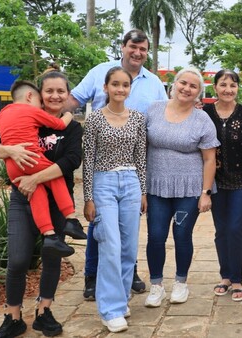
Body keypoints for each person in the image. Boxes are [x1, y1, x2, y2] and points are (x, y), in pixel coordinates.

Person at [67, 29, 168, 299]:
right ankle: (92, 275)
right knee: (100, 225)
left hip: (135, 166)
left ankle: (129, 272)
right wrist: (41, 115)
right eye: (133, 46)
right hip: (102, 168)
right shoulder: (99, 72)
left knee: (128, 228)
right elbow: (73, 101)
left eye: (143, 49)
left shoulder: (155, 83)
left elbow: (165, 116)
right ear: (123, 47)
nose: (137, 53)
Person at [0, 65, 83, 338]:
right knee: (18, 259)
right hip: (22, 199)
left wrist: (36, 178)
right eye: (49, 91)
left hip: (55, 198)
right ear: (39, 95)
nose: (55, 96)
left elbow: (71, 162)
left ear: (67, 95)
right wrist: (8, 150)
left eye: (60, 91)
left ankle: (44, 311)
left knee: (52, 257)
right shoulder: (24, 116)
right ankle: (13, 316)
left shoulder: (72, 128)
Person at [143, 67, 219, 307]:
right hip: (156, 186)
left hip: (190, 187)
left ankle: (180, 283)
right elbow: (141, 148)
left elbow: (209, 159)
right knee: (155, 236)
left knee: (181, 234)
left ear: (199, 93)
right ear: (174, 85)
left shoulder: (202, 119)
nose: (186, 88)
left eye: (193, 86)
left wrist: (205, 193)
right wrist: (141, 188)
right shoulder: (153, 110)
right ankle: (156, 286)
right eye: (183, 83)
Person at [82, 66, 147, 332]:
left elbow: (141, 157)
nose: (120, 89)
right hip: (103, 182)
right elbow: (88, 159)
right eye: (115, 84)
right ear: (106, 87)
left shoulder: (138, 119)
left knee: (129, 248)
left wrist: (143, 191)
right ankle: (110, 309)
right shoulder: (95, 119)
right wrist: (88, 197)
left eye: (125, 85)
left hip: (131, 182)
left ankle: (120, 298)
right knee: (110, 244)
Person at [0, 80, 86, 257]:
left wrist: (9, 151)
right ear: (31, 97)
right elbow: (60, 125)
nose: (54, 96)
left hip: (14, 169)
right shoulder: (32, 111)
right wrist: (69, 114)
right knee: (55, 177)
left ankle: (49, 235)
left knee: (37, 192)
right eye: (45, 94)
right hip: (31, 159)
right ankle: (71, 219)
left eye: (60, 91)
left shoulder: (3, 113)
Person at [203, 70, 242, 302]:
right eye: (223, 85)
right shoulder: (206, 113)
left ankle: (237, 279)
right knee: (221, 229)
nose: (228, 89)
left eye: (233, 85)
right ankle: (225, 276)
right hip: (214, 180)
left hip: (241, 181)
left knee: (235, 228)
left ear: (239, 88)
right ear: (215, 87)